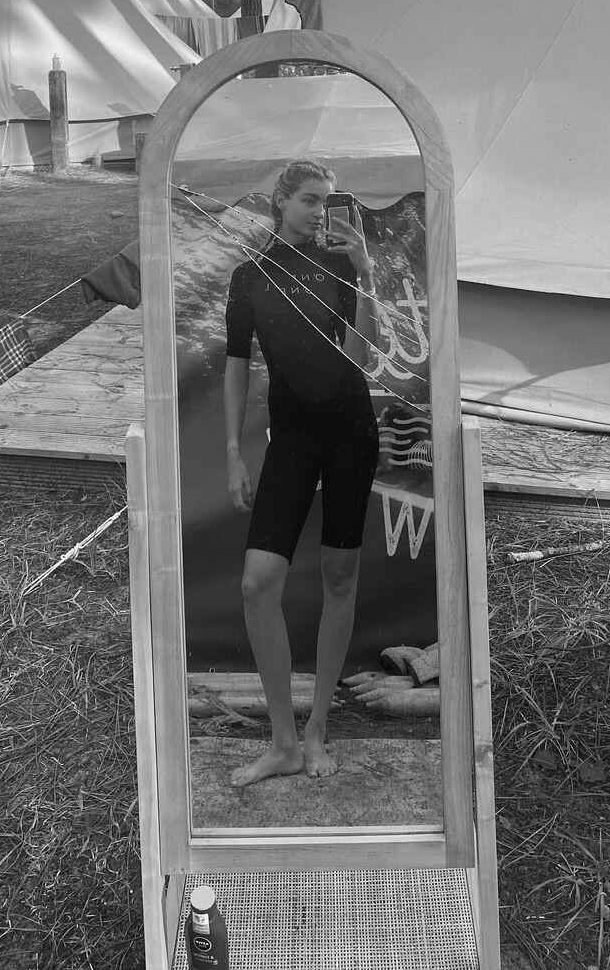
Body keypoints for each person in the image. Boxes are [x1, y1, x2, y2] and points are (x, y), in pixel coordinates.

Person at [223, 159, 380, 786]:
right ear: (280, 201)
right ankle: (283, 742)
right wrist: (232, 451)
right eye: (310, 200)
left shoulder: (342, 267)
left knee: (340, 577)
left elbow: (360, 358)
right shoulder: (249, 277)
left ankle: (316, 732)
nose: (320, 212)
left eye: (327, 201)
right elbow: (237, 364)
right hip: (290, 437)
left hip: (350, 432)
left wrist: (365, 273)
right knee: (257, 584)